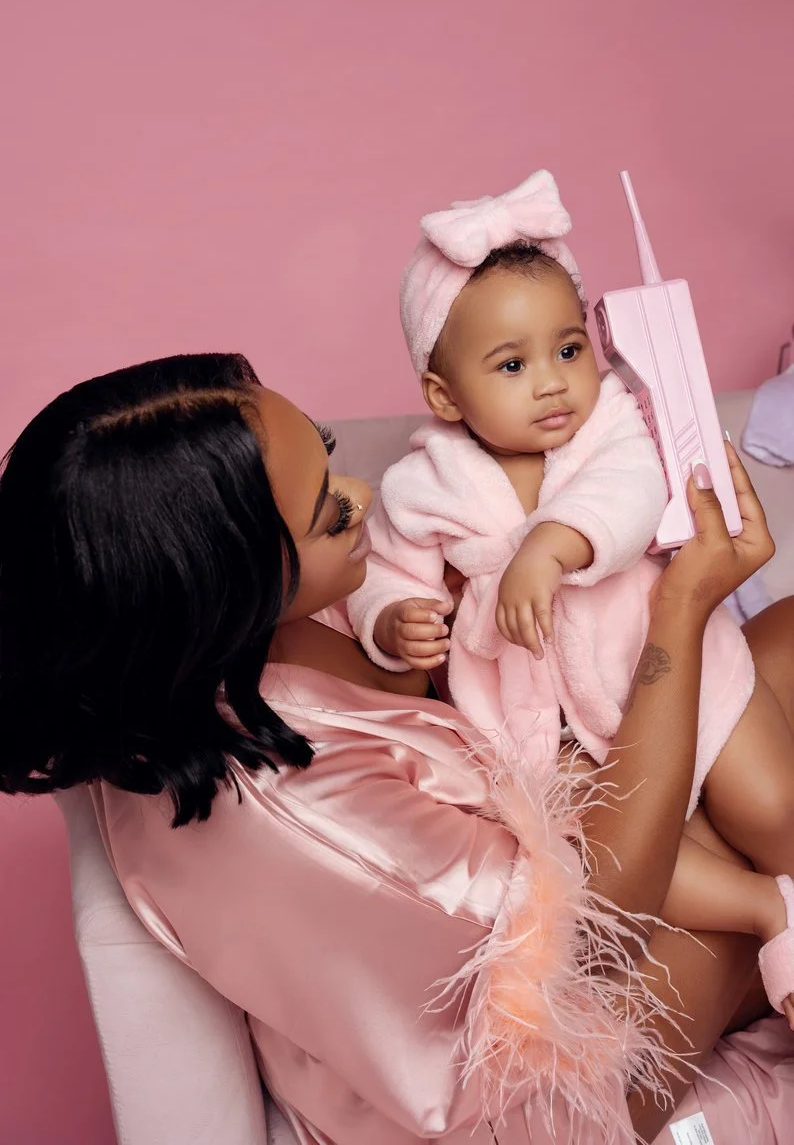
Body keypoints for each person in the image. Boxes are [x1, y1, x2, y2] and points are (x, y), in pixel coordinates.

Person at [0, 351, 784, 1143]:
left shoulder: (211, 662)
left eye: (330, 462)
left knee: (776, 648)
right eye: (328, 513)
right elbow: (592, 927)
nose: (363, 497)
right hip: (535, 1087)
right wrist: (680, 613)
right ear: (220, 589)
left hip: (504, 939)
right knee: (753, 809)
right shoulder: (293, 809)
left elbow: (404, 699)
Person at [347, 170, 794, 1021]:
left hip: (677, 669)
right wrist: (391, 620)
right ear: (445, 395)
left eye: (568, 349)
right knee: (604, 856)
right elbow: (386, 571)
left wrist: (550, 545)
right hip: (546, 726)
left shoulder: (611, 424)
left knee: (773, 802)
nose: (553, 382)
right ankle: (768, 910)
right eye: (513, 364)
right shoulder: (423, 483)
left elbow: (633, 491)